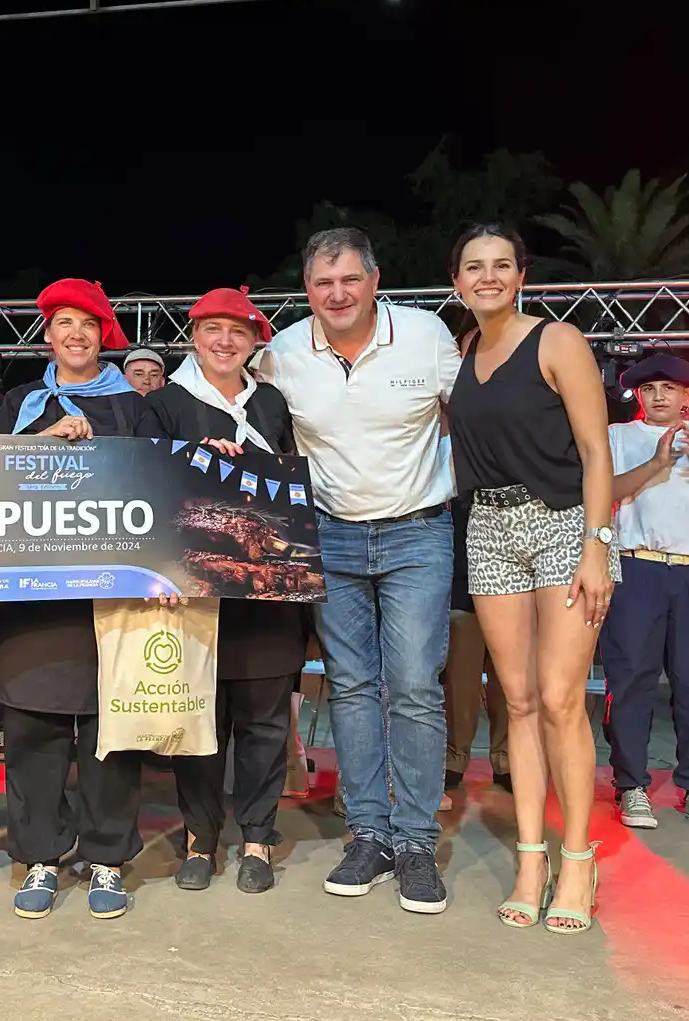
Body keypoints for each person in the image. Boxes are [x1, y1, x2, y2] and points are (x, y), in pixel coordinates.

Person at [255, 227, 458, 915]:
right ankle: (368, 833)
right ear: (307, 289)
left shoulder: (428, 335)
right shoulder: (282, 352)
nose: (336, 294)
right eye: (321, 282)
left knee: (412, 684)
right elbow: (237, 414)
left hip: (417, 533)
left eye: (348, 279)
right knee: (350, 684)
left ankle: (416, 842)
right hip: (330, 537)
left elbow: (475, 418)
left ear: (375, 279)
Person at [445, 222, 616, 935]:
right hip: (487, 525)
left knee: (558, 698)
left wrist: (597, 545)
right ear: (455, 282)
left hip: (561, 523)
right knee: (512, 700)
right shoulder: (461, 351)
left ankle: (579, 858)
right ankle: (531, 858)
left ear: (522, 276)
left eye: (501, 265)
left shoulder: (558, 341)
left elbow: (596, 450)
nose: (487, 276)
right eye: (474, 267)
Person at [0, 277, 151, 921]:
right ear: (47, 334)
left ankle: (108, 857)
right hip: (34, 590)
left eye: (88, 323)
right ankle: (41, 856)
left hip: (113, 588)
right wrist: (38, 443)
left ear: (104, 334)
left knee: (112, 728)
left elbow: (159, 482)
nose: (75, 334)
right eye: (62, 322)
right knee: (34, 724)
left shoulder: (138, 405)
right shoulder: (18, 401)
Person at [144, 287, 305, 895]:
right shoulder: (165, 404)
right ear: (194, 337)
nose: (225, 341)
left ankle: (258, 837)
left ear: (254, 341)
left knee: (265, 722)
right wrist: (196, 461)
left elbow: (292, 480)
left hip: (265, 587)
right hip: (194, 588)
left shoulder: (272, 405)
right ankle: (199, 838)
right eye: (213, 330)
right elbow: (148, 483)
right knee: (201, 720)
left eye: (238, 331)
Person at [600, 355, 689, 836]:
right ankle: (631, 784)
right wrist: (657, 462)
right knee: (632, 680)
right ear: (637, 396)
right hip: (636, 566)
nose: (659, 395)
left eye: (670, 388)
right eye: (650, 388)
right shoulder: (619, 436)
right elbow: (601, 495)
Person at [443, 496, 511, 794]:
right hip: (460, 581)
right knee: (460, 680)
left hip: (510, 581)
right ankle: (455, 757)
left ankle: (507, 758)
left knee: (509, 680)